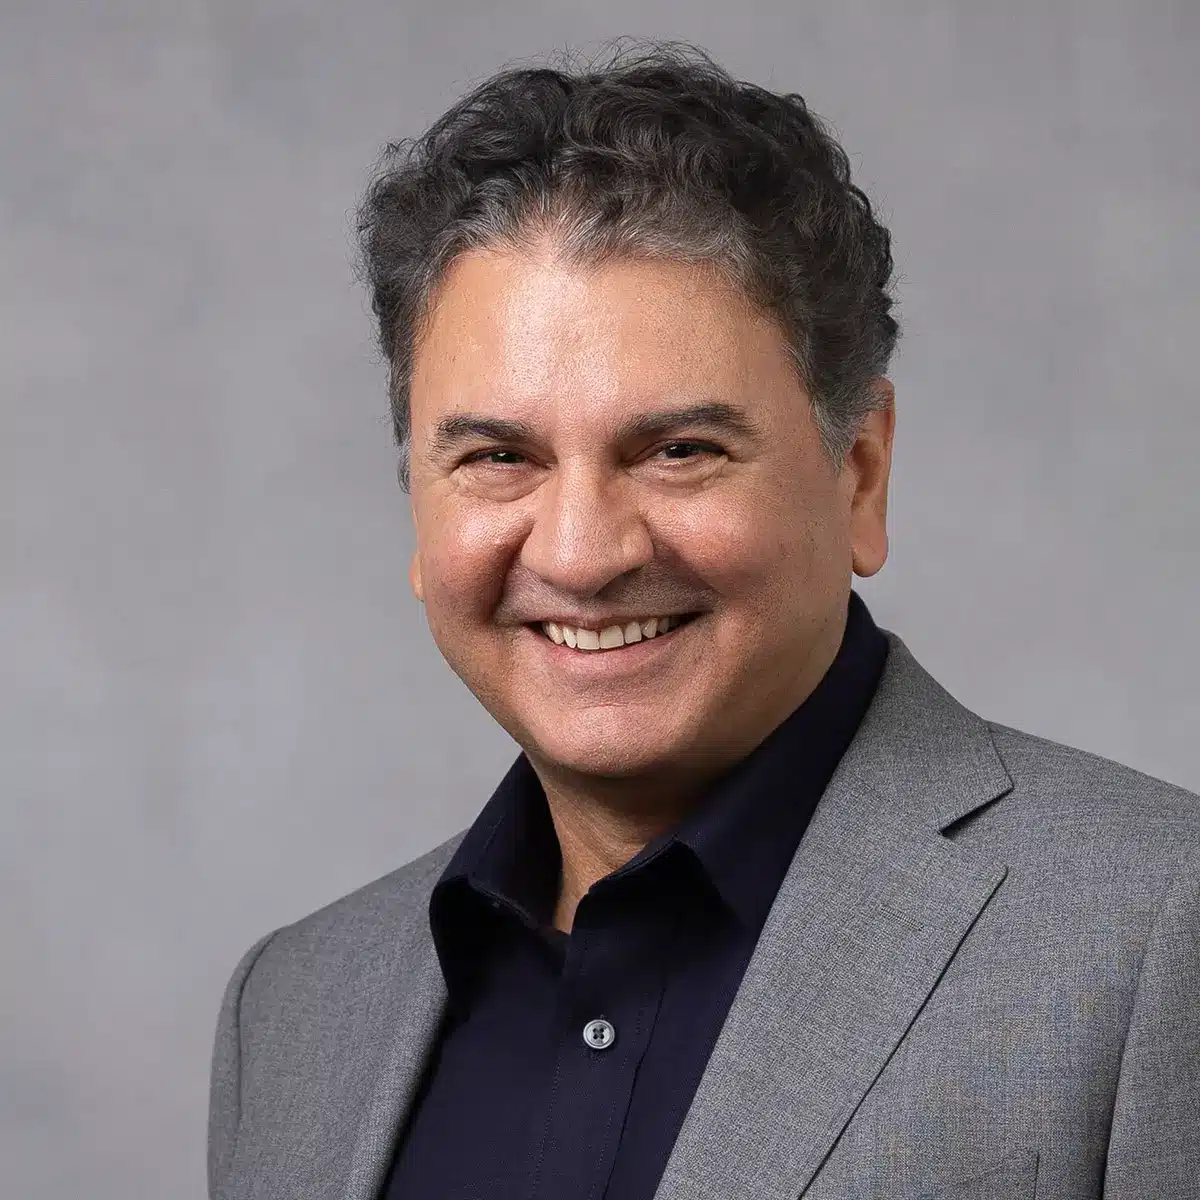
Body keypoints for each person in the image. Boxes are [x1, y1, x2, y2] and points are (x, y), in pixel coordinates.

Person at [206, 43, 1200, 1200]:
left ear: (860, 474)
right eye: (498, 456)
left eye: (679, 450)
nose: (581, 552)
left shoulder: (1152, 939)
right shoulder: (292, 1013)